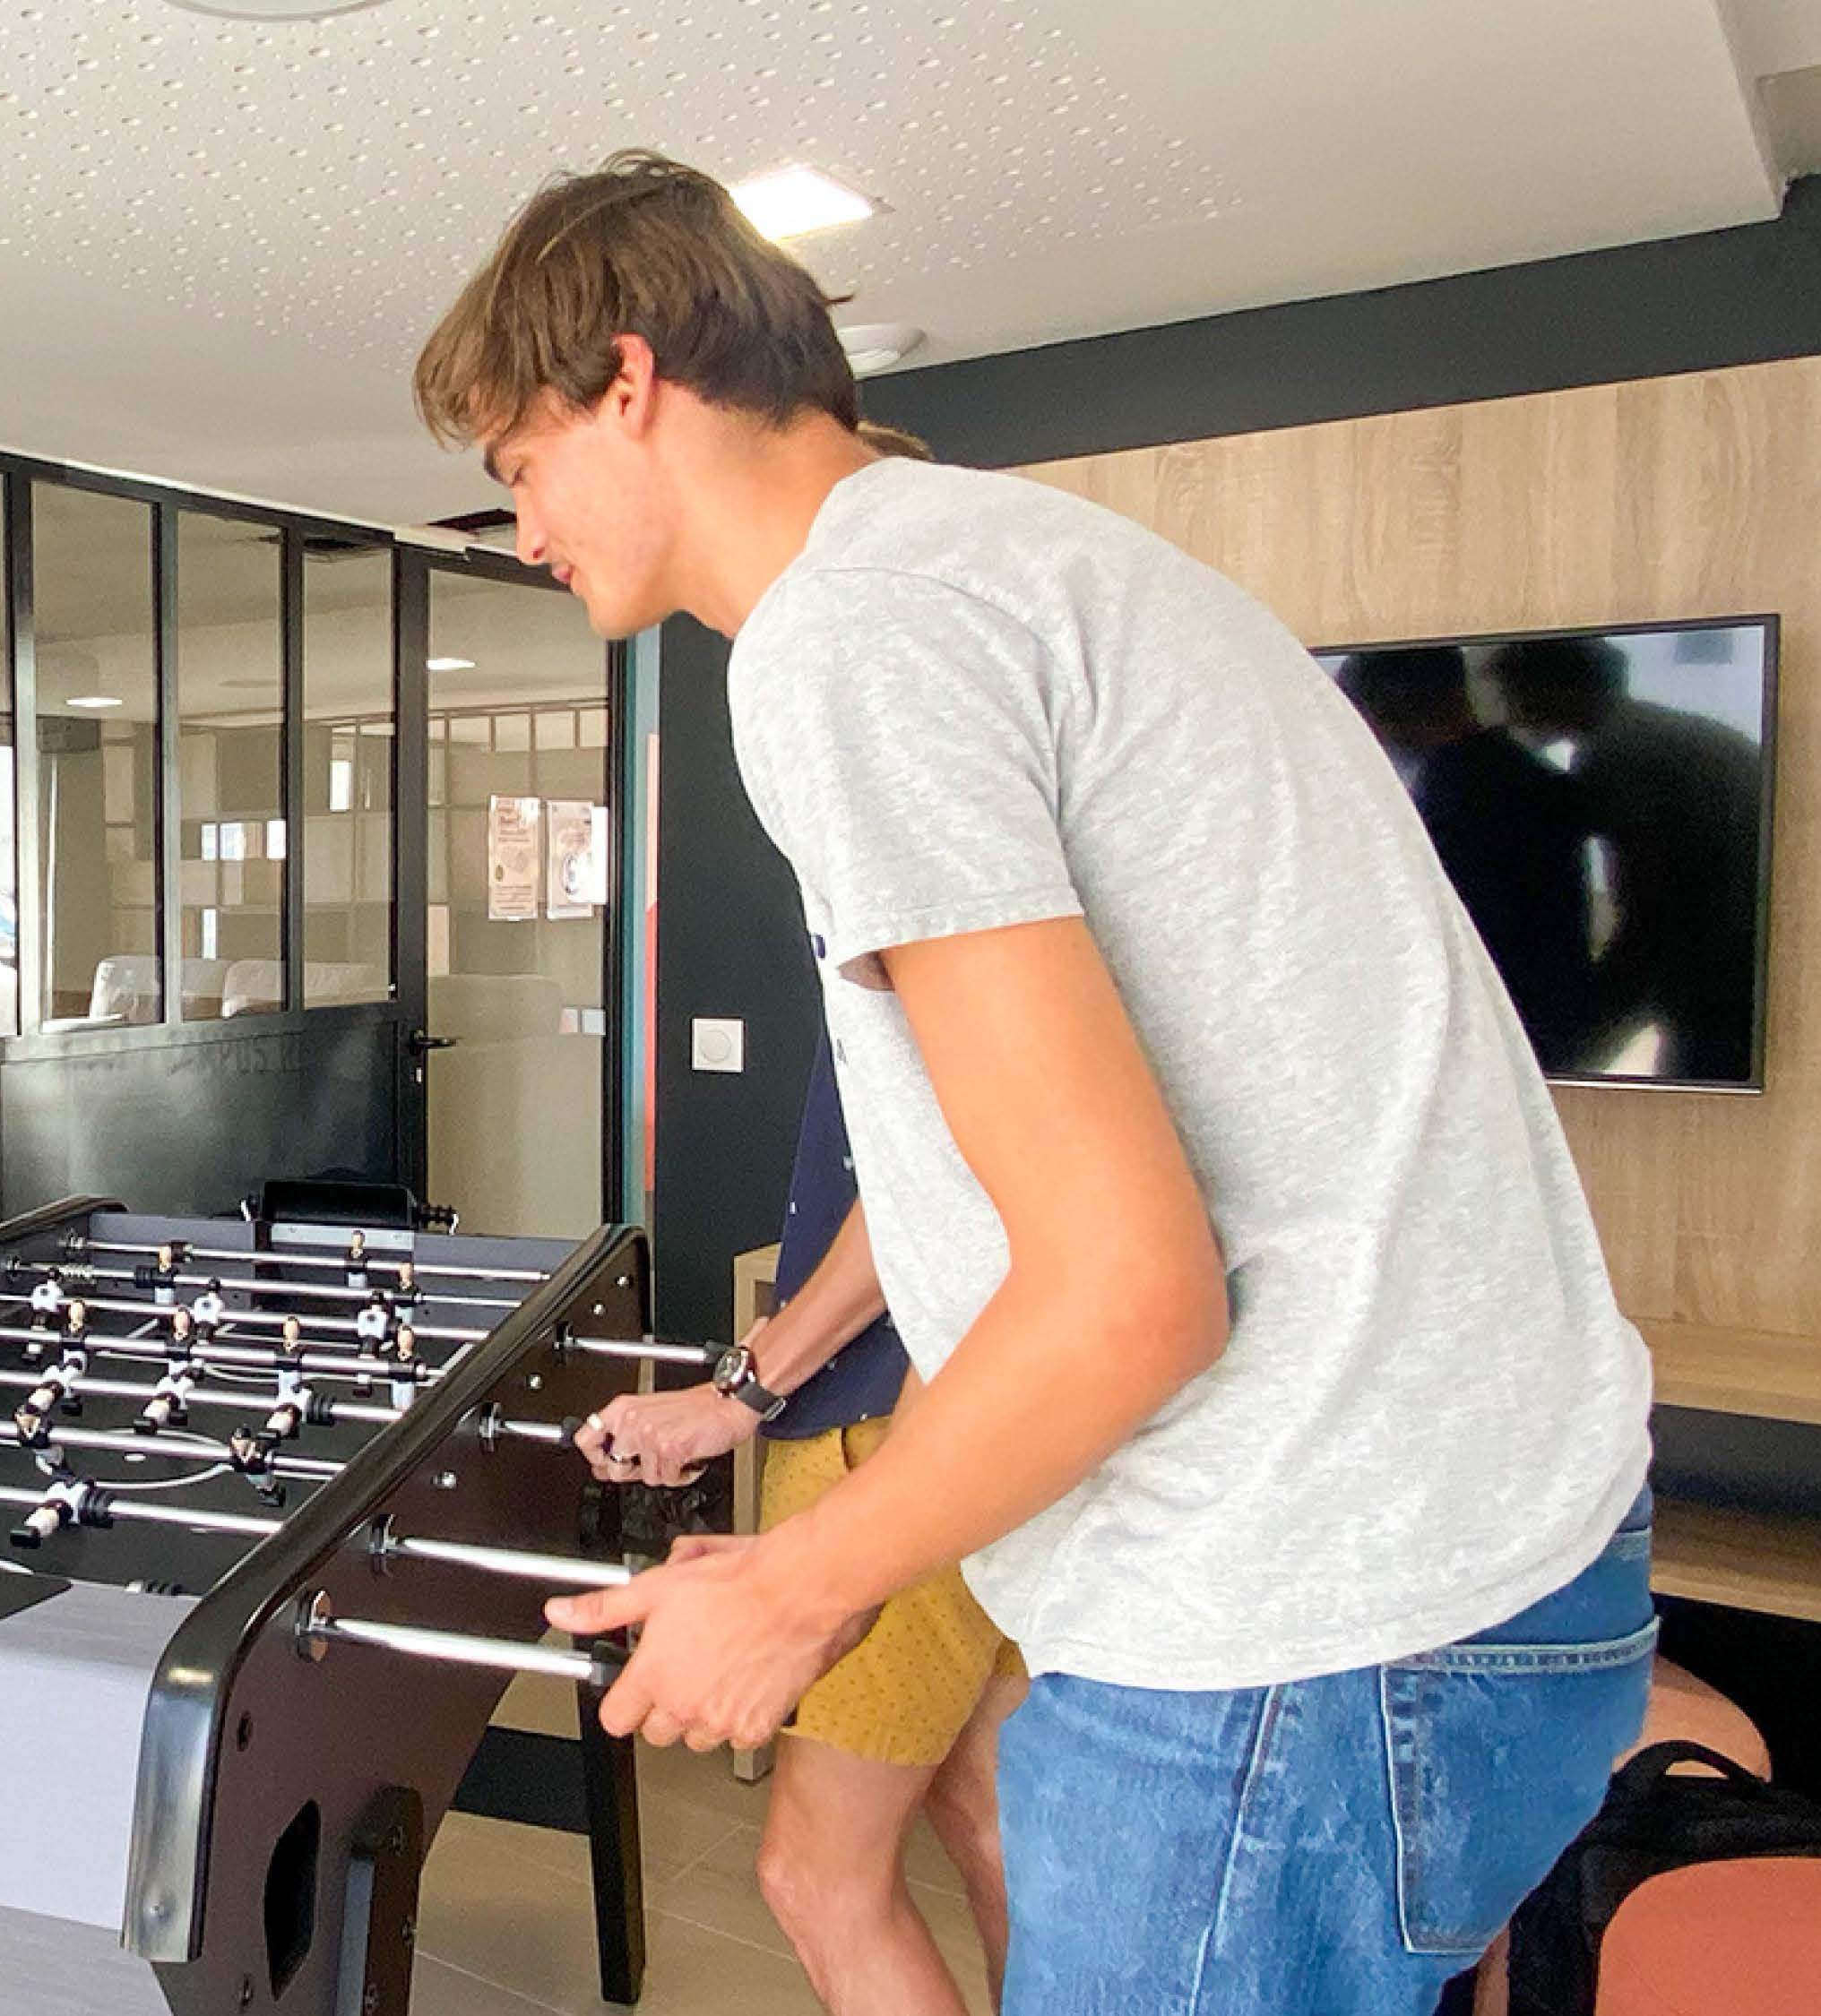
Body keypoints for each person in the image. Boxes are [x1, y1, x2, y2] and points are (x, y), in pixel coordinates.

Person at [416, 152, 1655, 2015]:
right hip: (1455, 1564)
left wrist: (789, 1586)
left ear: (628, 381)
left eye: (519, 465)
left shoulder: (849, 634)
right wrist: (776, 1445)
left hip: (1297, 1620)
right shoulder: (1009, 563)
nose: (522, 532)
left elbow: (1131, 1291)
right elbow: (1014, 1205)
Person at [579, 419, 1018, 2016]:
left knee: (815, 1873)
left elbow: (937, 1183)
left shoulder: (915, 779)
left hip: (907, 1418)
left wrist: (742, 1390)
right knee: (983, 1807)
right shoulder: (912, 810)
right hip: (951, 1407)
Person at [1483, 635, 1765, 1081]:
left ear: (1556, 689)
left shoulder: (1626, 756)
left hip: (1722, 981)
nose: (1510, 714)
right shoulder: (1673, 736)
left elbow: (1655, 916)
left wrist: (1569, 1056)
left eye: (1514, 694)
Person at [1333, 648, 1596, 1066]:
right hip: (1548, 1034)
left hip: (1493, 1043)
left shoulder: (1452, 795)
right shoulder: (1529, 775)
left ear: (1389, 711)